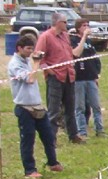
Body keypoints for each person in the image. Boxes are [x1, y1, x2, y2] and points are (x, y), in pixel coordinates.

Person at [8, 35, 63, 179]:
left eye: (32, 48)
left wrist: (35, 61)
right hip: (24, 108)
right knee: (28, 140)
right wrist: (37, 63)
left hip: (38, 106)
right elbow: (30, 79)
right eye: (28, 49)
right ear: (19, 48)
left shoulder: (27, 61)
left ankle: (53, 163)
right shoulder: (15, 64)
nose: (30, 51)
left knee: (48, 136)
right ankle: (29, 170)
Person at [35, 11, 85, 144]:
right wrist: (50, 71)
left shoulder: (65, 36)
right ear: (57, 23)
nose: (67, 24)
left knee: (70, 108)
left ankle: (73, 135)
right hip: (55, 78)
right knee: (54, 110)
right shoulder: (45, 37)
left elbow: (70, 53)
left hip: (69, 76)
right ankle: (51, 138)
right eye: (64, 22)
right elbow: (38, 58)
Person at [70, 19, 106, 138]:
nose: (86, 27)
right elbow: (76, 53)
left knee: (95, 105)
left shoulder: (90, 42)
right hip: (79, 79)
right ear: (78, 28)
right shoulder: (73, 40)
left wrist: (97, 74)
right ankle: (82, 131)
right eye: (84, 25)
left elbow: (94, 58)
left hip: (91, 78)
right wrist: (84, 37)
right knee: (80, 107)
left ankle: (99, 130)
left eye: (87, 25)